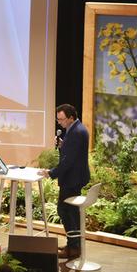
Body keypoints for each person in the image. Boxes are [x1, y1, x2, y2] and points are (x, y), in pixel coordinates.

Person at [40, 103, 90, 260]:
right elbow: (71, 153)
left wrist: (51, 173)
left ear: (71, 117)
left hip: (72, 179)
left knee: (64, 211)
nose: (59, 122)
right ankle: (73, 245)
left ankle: (74, 247)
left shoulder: (76, 132)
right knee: (69, 212)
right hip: (74, 177)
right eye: (58, 120)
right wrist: (63, 145)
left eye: (61, 119)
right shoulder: (76, 129)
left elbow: (69, 161)